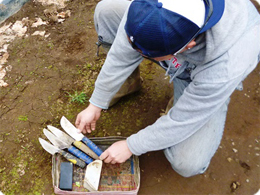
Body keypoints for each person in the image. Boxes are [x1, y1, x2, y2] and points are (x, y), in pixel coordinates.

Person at [75, 0, 260, 177]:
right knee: (107, 11)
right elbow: (122, 52)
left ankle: (184, 96)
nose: (135, 52)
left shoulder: (227, 64)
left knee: (187, 162)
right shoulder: (148, 10)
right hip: (175, 55)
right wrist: (96, 103)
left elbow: (185, 120)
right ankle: (127, 85)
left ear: (188, 46)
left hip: (202, 79)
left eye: (145, 54)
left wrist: (131, 146)